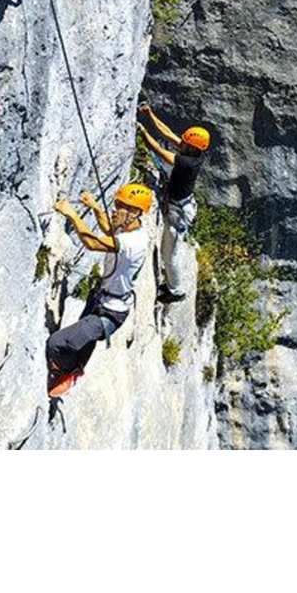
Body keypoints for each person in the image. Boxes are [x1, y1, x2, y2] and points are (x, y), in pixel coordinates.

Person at [45, 182, 155, 398]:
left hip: (111, 312)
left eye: (120, 206)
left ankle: (69, 372)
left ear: (135, 213)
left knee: (56, 344)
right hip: (100, 300)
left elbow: (92, 243)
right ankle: (75, 367)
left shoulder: (134, 242)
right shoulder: (129, 228)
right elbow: (108, 229)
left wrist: (71, 214)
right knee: (82, 342)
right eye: (116, 204)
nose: (114, 209)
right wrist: (95, 207)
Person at [137, 103, 210, 303]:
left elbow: (159, 151)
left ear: (192, 147)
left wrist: (142, 133)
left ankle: (177, 291)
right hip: (181, 204)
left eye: (185, 142)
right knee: (169, 252)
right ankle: (172, 284)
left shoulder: (188, 162)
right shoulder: (194, 152)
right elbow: (167, 133)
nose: (181, 142)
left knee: (170, 255)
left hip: (179, 214)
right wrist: (150, 114)